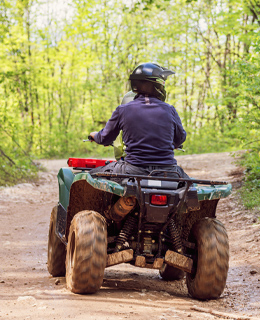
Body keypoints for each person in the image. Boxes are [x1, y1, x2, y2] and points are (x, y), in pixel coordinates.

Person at [89, 62, 188, 179]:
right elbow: (180, 139)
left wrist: (94, 135)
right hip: (168, 172)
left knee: (91, 176)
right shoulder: (170, 110)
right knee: (192, 188)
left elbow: (105, 138)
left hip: (133, 170)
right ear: (158, 85)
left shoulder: (123, 110)